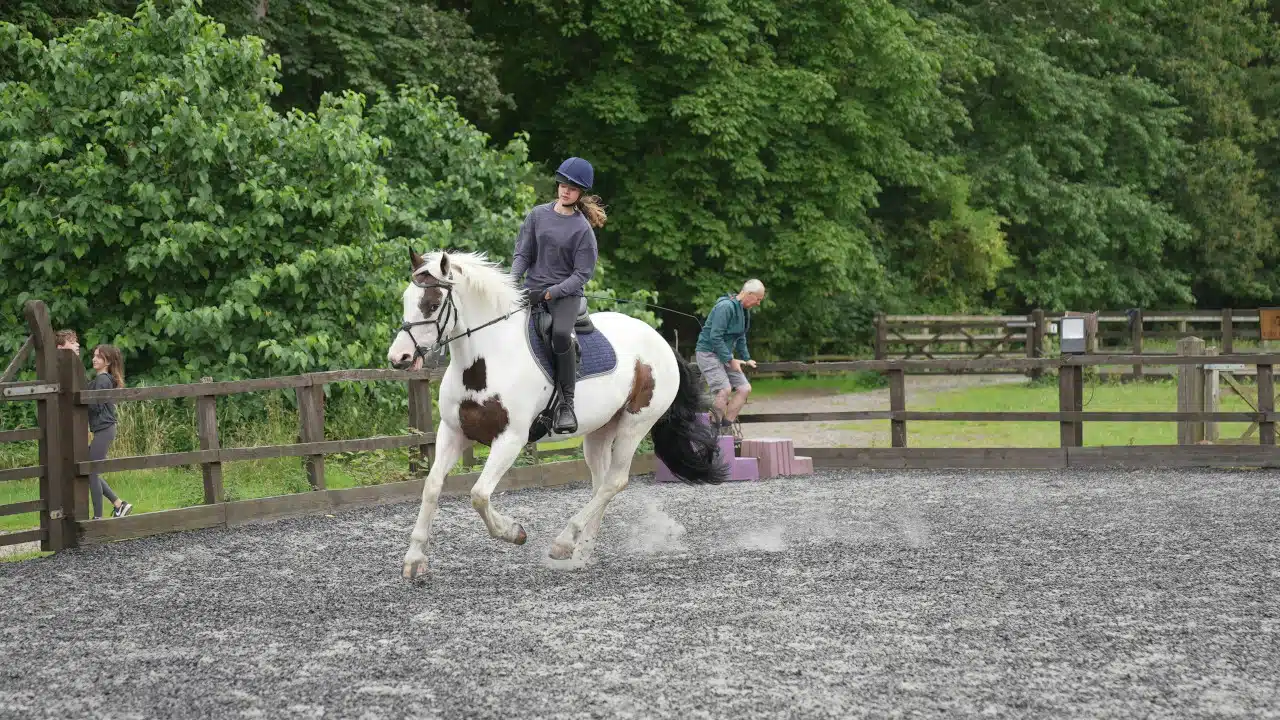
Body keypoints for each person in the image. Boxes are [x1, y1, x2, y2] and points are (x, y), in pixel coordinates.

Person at [510, 156, 606, 435]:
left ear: (580, 194)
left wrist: (551, 293)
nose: (565, 190)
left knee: (561, 335)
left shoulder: (582, 230)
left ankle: (566, 403)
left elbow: (581, 275)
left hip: (564, 296)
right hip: (531, 290)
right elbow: (523, 254)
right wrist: (512, 281)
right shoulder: (537, 215)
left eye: (572, 188)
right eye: (563, 184)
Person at [695, 280, 766, 431]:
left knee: (744, 388)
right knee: (724, 390)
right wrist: (730, 359)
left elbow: (741, 337)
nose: (758, 303)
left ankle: (725, 427)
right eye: (758, 299)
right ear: (749, 294)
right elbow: (715, 337)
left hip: (725, 355)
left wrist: (746, 358)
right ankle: (712, 429)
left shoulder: (744, 311)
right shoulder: (725, 307)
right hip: (708, 353)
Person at [86, 344, 132, 519]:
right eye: (94, 355)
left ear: (108, 361)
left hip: (104, 429)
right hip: (103, 429)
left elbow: (95, 404)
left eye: (99, 356)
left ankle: (98, 518)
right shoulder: (100, 379)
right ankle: (119, 505)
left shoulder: (103, 379)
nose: (94, 359)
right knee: (89, 470)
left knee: (91, 471)